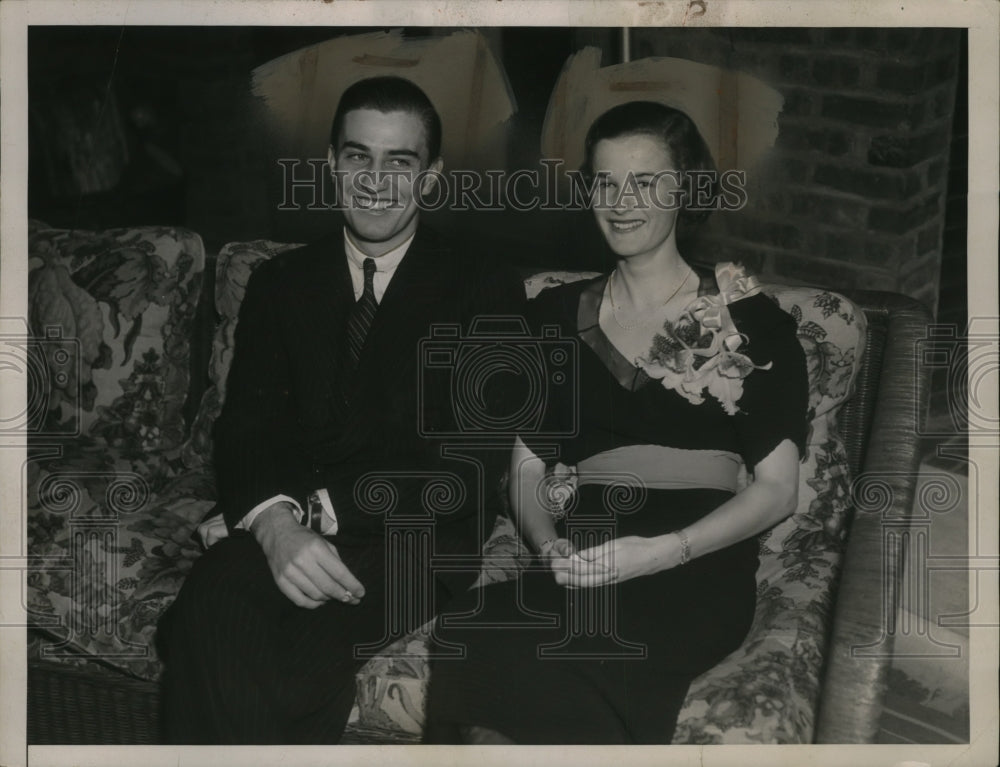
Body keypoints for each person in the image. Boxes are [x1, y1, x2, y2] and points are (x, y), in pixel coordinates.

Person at [424, 100, 809, 745]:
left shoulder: (748, 317)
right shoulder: (550, 315)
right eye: (604, 182)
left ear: (684, 190)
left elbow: (777, 490)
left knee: (586, 651)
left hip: (692, 563)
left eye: (645, 182)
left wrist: (661, 552)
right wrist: (549, 547)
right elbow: (523, 466)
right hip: (588, 555)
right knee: (474, 629)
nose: (621, 201)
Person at [159, 76, 525, 744]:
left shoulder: (483, 284)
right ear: (331, 163)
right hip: (289, 519)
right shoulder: (280, 283)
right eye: (358, 157)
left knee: (290, 673)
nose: (376, 181)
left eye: (400, 162)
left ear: (432, 177)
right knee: (208, 602)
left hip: (416, 537)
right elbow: (245, 425)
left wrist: (319, 510)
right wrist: (273, 525)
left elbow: (472, 464)